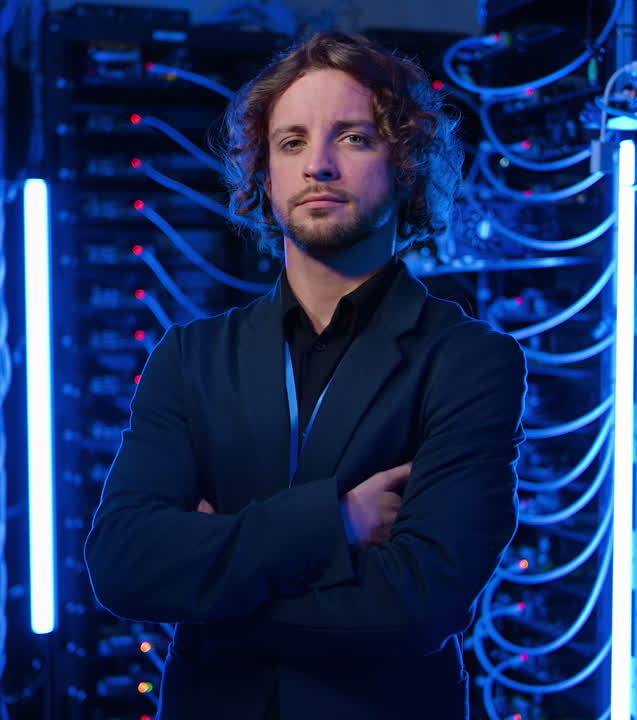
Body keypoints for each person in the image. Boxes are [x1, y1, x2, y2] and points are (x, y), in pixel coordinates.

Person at [85, 30, 528, 720]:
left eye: (353, 138)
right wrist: (335, 523)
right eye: (291, 142)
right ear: (264, 176)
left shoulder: (468, 360)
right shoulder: (191, 356)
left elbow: (417, 604)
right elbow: (123, 565)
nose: (318, 165)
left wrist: (209, 589)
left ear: (407, 165)